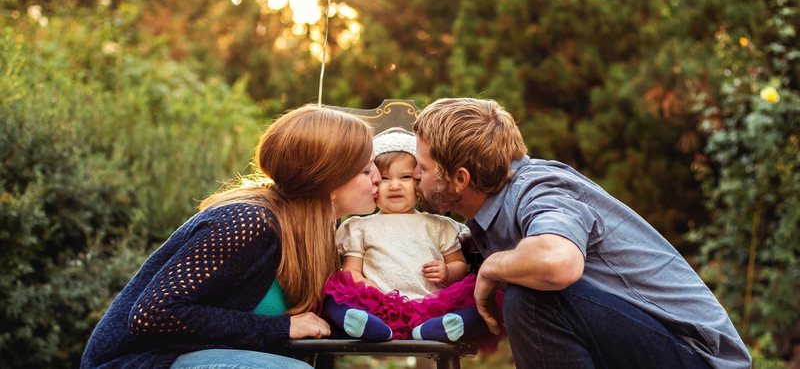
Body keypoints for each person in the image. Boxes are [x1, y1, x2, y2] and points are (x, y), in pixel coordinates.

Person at [410, 98, 752, 369]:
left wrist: (493, 266)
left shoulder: (541, 190)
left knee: (533, 298)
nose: (413, 175)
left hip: (700, 358)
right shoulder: (493, 211)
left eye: (422, 168)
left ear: (460, 179)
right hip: (661, 348)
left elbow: (559, 263)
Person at [81, 105, 382, 369]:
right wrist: (280, 327)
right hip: (142, 362)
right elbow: (153, 314)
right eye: (367, 170)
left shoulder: (318, 233)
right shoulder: (247, 222)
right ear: (329, 180)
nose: (379, 178)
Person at [322, 128, 502, 351]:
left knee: (484, 298)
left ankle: (439, 328)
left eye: (405, 177)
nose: (395, 185)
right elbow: (351, 271)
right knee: (333, 296)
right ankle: (367, 326)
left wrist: (448, 272)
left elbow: (459, 265)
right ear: (374, 182)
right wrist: (363, 284)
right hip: (377, 306)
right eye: (385, 178)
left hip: (432, 305)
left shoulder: (437, 225)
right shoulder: (360, 226)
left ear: (418, 183)